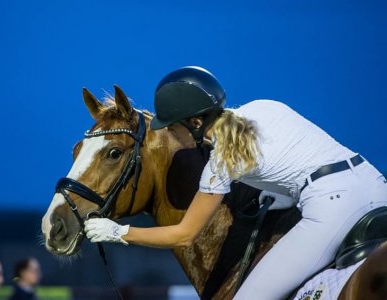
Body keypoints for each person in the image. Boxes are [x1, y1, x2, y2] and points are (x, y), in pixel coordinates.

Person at [84, 66, 387, 299]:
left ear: (196, 123)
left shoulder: (221, 163)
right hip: (375, 184)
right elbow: (295, 164)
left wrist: (119, 231)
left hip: (333, 206)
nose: (170, 136)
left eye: (173, 128)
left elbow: (184, 235)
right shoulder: (266, 106)